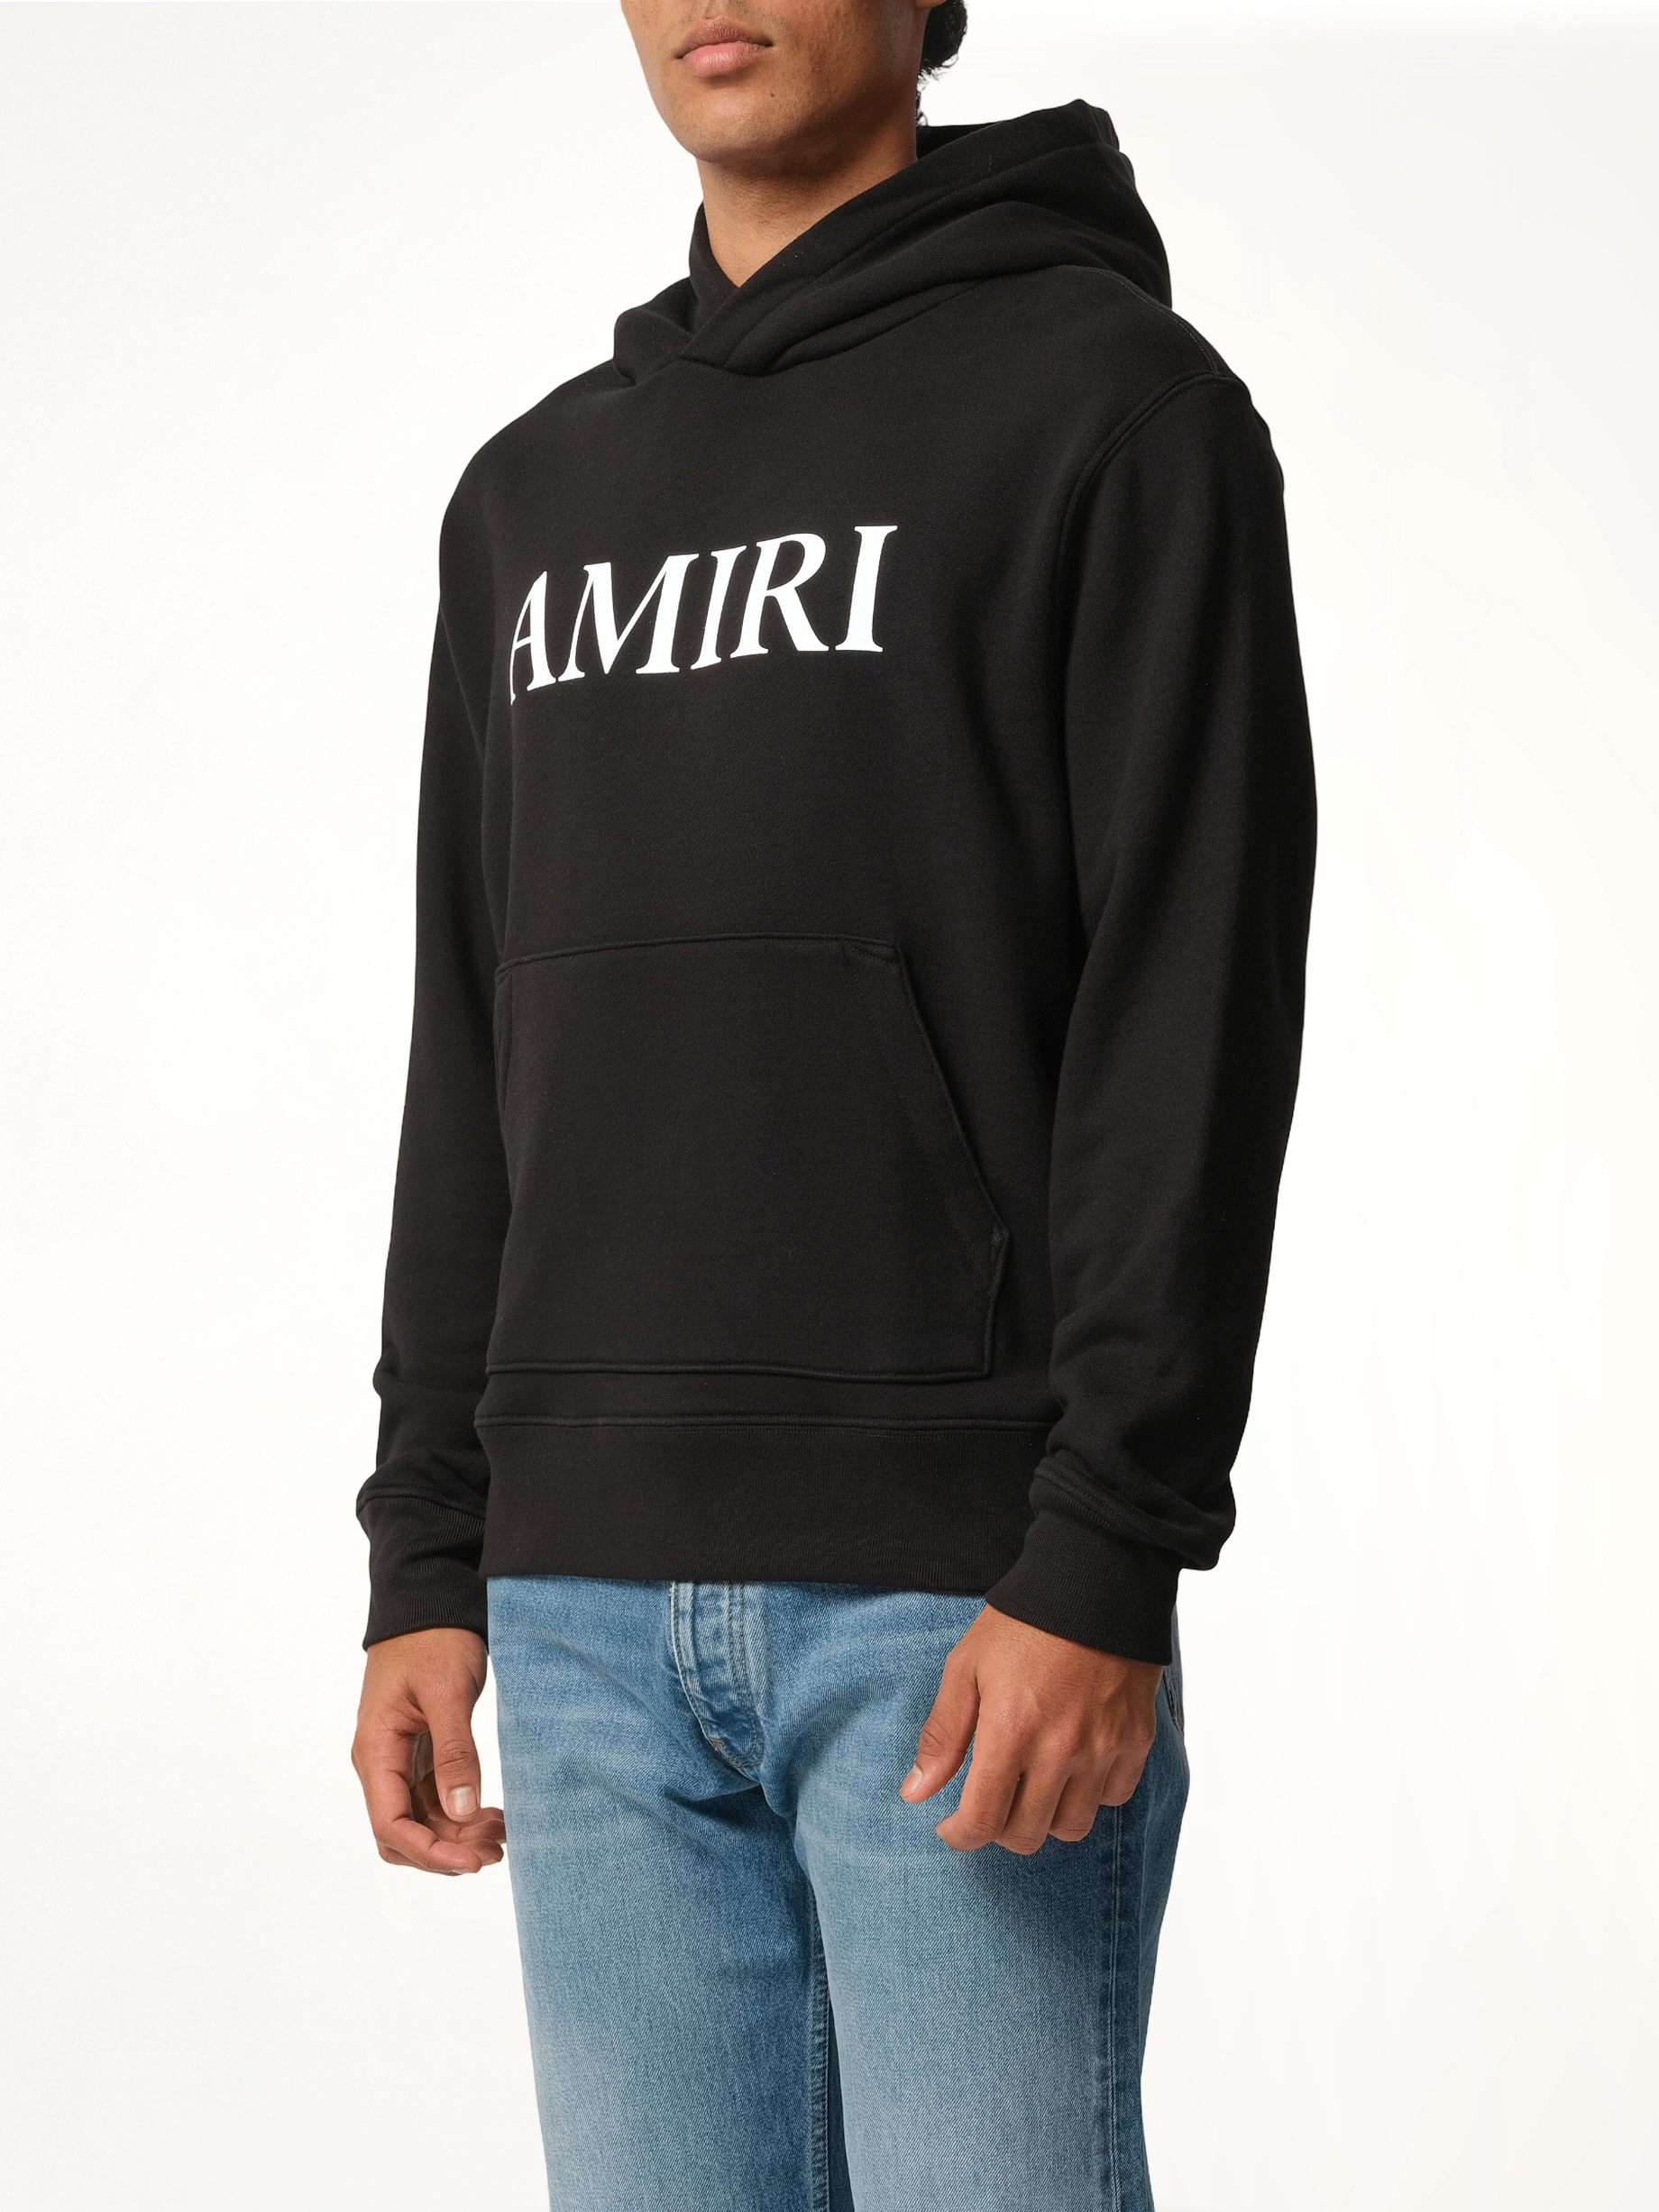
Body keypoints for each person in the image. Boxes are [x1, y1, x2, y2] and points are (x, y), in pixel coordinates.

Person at [350, 4, 1315, 2206]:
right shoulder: (528, 499)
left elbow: (1190, 1005)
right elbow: (474, 1036)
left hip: (955, 1604)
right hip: (580, 1611)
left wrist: (1105, 1553)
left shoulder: (1113, 413)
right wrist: (429, 1549)